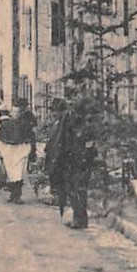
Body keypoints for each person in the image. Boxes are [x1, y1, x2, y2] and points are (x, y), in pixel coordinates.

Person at [47, 86, 97, 228]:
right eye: (69, 99)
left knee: (79, 187)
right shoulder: (67, 115)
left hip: (81, 159)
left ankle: (80, 219)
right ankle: (78, 216)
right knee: (71, 188)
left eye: (74, 98)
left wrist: (85, 156)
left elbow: (90, 137)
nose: (71, 101)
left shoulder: (84, 117)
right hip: (69, 158)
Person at [0, 98, 37, 203]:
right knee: (11, 173)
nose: (14, 114)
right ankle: (12, 193)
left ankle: (17, 194)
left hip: (21, 151)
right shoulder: (6, 124)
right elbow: (1, 139)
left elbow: (30, 139)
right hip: (9, 152)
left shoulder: (25, 124)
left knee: (18, 173)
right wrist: (0, 150)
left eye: (16, 112)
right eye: (12, 112)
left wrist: (29, 151)